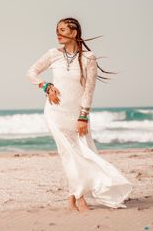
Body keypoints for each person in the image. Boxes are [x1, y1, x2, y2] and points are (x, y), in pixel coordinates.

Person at [26, 17, 133, 212]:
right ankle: (80, 198)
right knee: (67, 154)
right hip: (55, 112)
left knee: (84, 154)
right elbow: (31, 72)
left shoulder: (88, 58)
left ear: (74, 33)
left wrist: (83, 117)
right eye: (57, 30)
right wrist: (46, 86)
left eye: (63, 30)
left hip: (77, 114)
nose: (58, 33)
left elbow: (88, 91)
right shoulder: (52, 54)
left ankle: (72, 196)